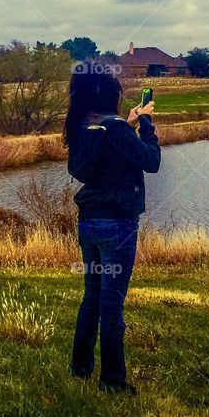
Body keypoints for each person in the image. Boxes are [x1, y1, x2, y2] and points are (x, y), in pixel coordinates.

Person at [63, 62, 160, 394]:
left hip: (88, 222)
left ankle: (80, 367)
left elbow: (100, 158)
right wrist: (145, 122)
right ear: (109, 95)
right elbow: (151, 160)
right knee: (111, 303)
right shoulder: (114, 128)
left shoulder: (82, 127)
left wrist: (128, 123)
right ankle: (113, 381)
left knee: (92, 296)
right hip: (117, 225)